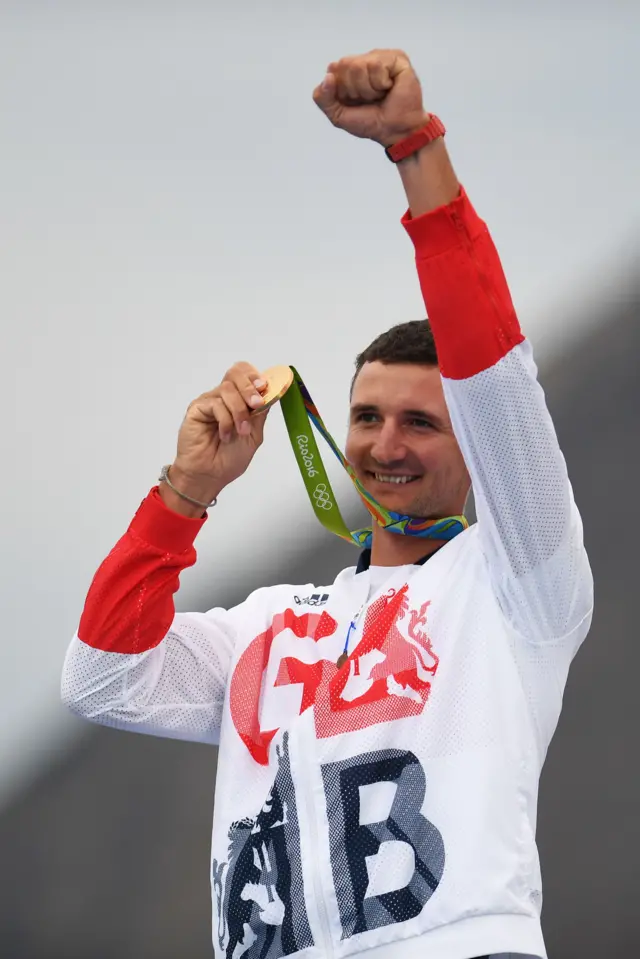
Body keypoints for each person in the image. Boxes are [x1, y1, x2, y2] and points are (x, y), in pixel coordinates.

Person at [61, 48, 593, 959]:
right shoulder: (270, 626)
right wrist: (187, 492)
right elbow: (104, 676)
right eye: (367, 416)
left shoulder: (519, 585)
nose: (386, 445)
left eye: (422, 422)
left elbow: (497, 379)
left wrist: (414, 150)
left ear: (477, 448)